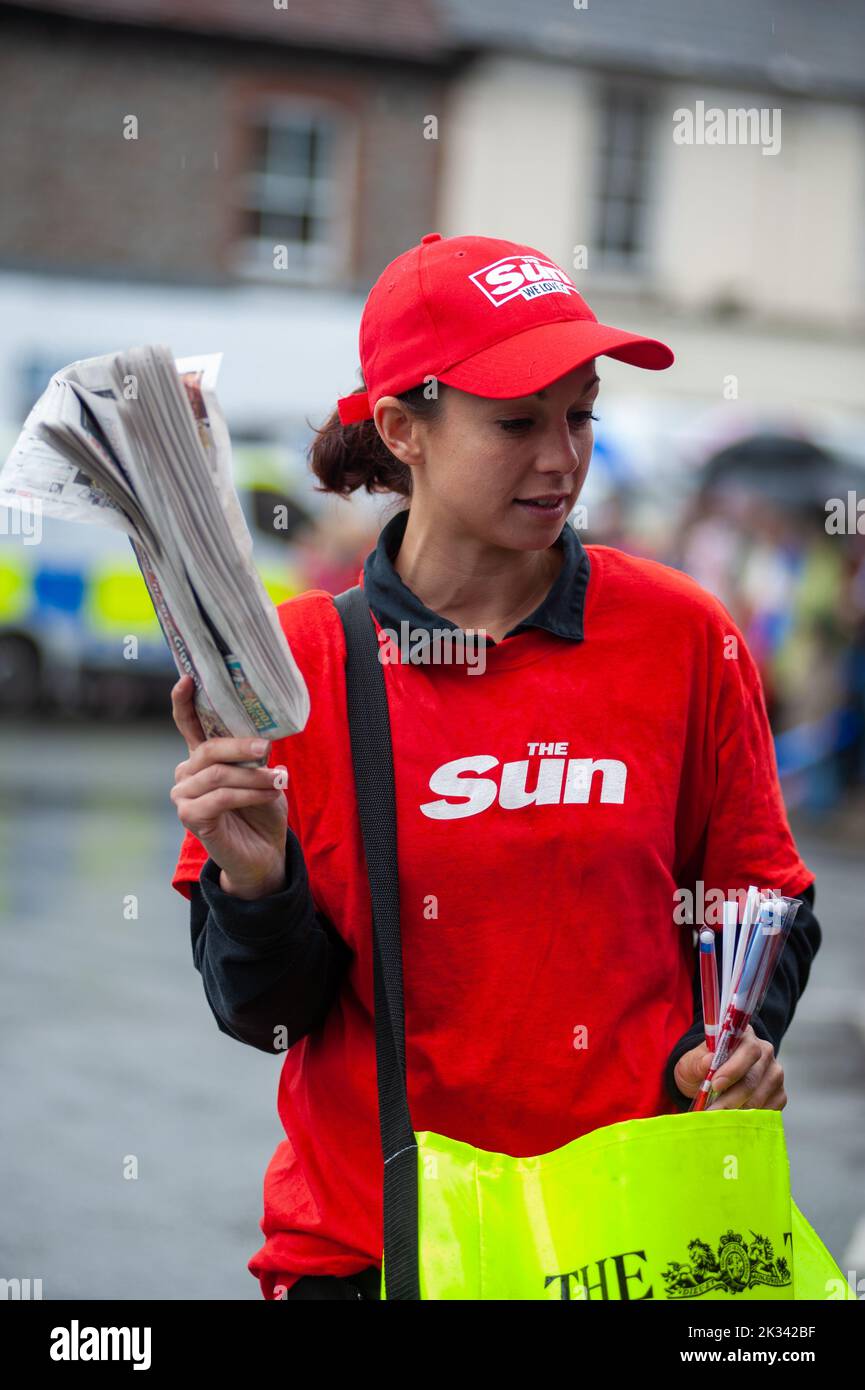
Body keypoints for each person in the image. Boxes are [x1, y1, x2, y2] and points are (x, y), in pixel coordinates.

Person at [169, 233, 821, 1301]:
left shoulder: (682, 637)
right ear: (400, 429)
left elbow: (765, 895)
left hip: (638, 1240)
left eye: (581, 414)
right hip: (379, 1249)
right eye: (516, 423)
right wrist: (258, 882)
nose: (562, 458)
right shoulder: (296, 666)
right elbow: (265, 1015)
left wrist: (727, 1042)